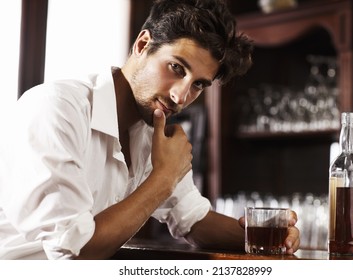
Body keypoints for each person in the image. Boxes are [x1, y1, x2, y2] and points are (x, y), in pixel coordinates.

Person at [0, 0, 300, 259]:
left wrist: (267, 237)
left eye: (198, 84)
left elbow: (194, 221)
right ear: (142, 44)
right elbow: (75, 252)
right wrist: (164, 177)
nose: (181, 97)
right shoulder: (56, 108)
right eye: (177, 68)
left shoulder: (152, 130)